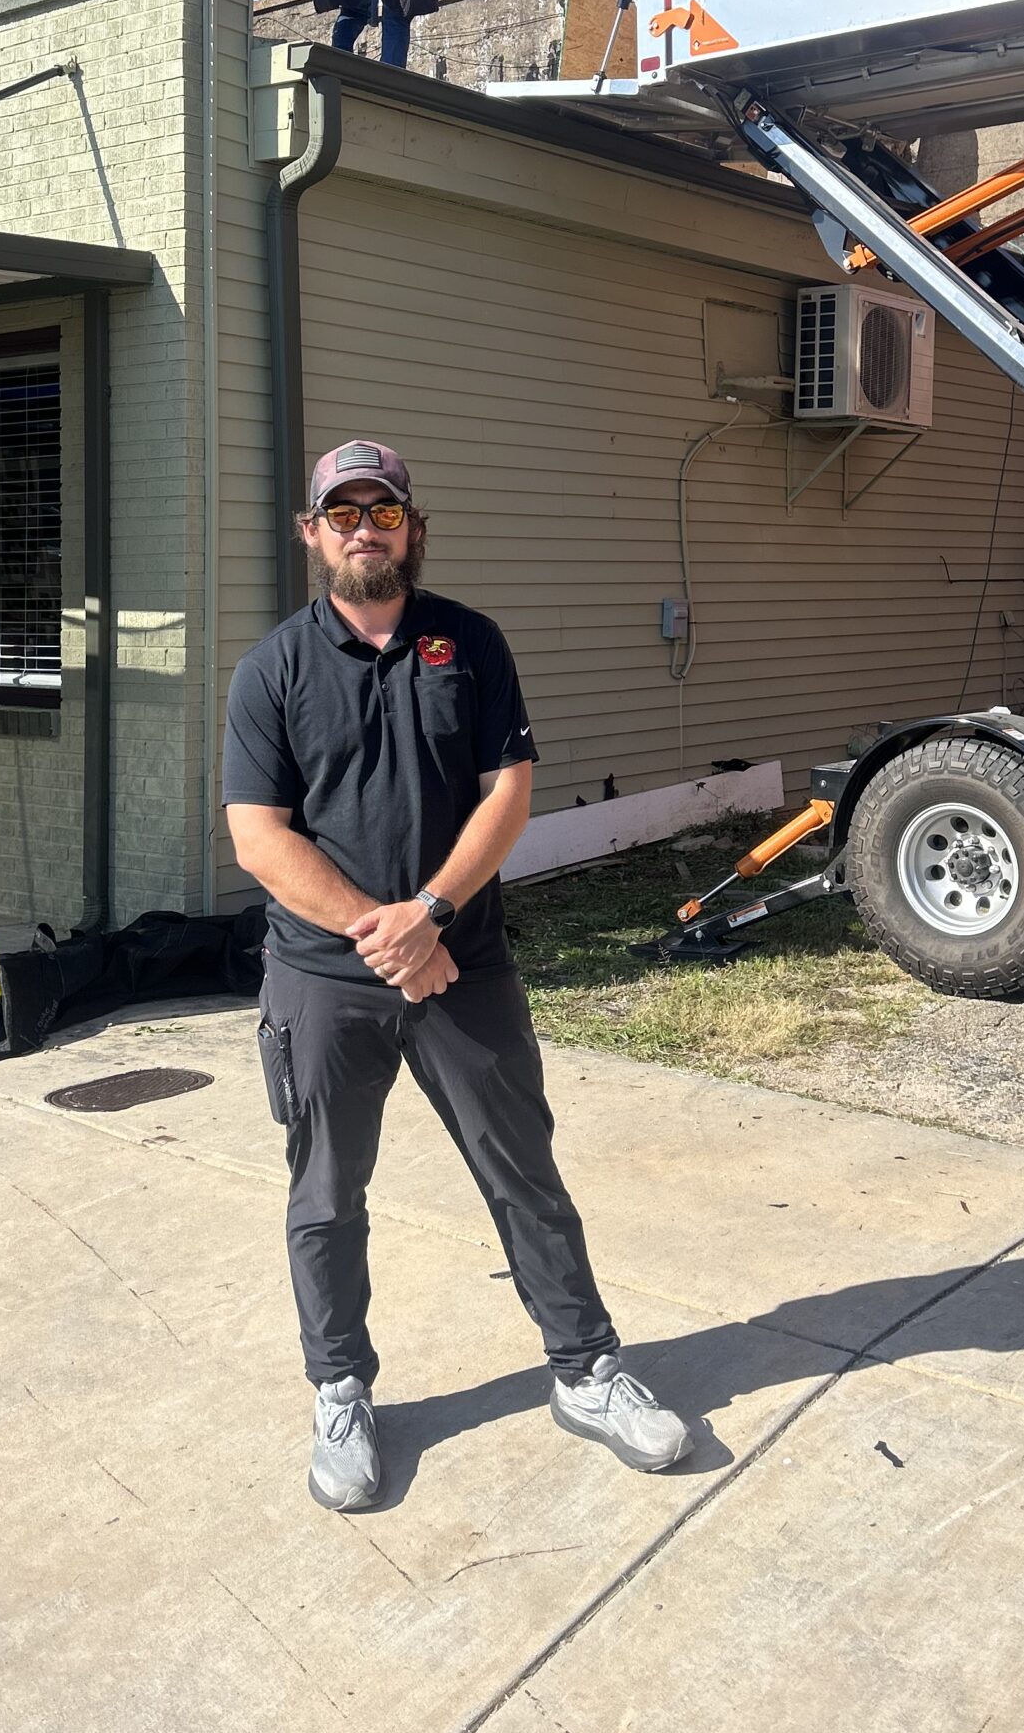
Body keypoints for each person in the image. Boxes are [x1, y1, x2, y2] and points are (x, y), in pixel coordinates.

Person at [224, 439, 692, 1512]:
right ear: (312, 534)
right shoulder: (273, 669)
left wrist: (431, 914)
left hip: (461, 963)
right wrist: (379, 935)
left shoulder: (470, 644)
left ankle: (584, 1367)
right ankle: (341, 1387)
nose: (363, 530)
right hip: (324, 979)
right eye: (341, 514)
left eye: (381, 510)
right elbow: (258, 836)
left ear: (412, 524)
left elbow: (508, 793)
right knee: (327, 1195)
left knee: (524, 1170)